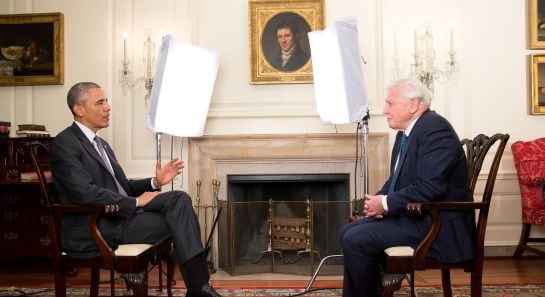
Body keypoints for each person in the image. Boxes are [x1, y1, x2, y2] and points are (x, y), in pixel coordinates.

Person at [49, 82, 221, 297]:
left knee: (179, 199)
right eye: (100, 102)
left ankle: (199, 288)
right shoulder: (64, 144)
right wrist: (137, 202)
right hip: (96, 225)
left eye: (107, 101)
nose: (108, 107)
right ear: (79, 109)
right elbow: (85, 193)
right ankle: (200, 288)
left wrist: (155, 183)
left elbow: (123, 187)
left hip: (118, 215)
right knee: (179, 221)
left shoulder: (101, 144)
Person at [339, 78, 476, 296]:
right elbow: (397, 179)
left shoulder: (435, 129)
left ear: (413, 105)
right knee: (348, 230)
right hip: (417, 216)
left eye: (390, 104)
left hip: (437, 225)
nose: (384, 110)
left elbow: (430, 187)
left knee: (355, 239)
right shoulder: (406, 133)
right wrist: (377, 201)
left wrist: (385, 204)